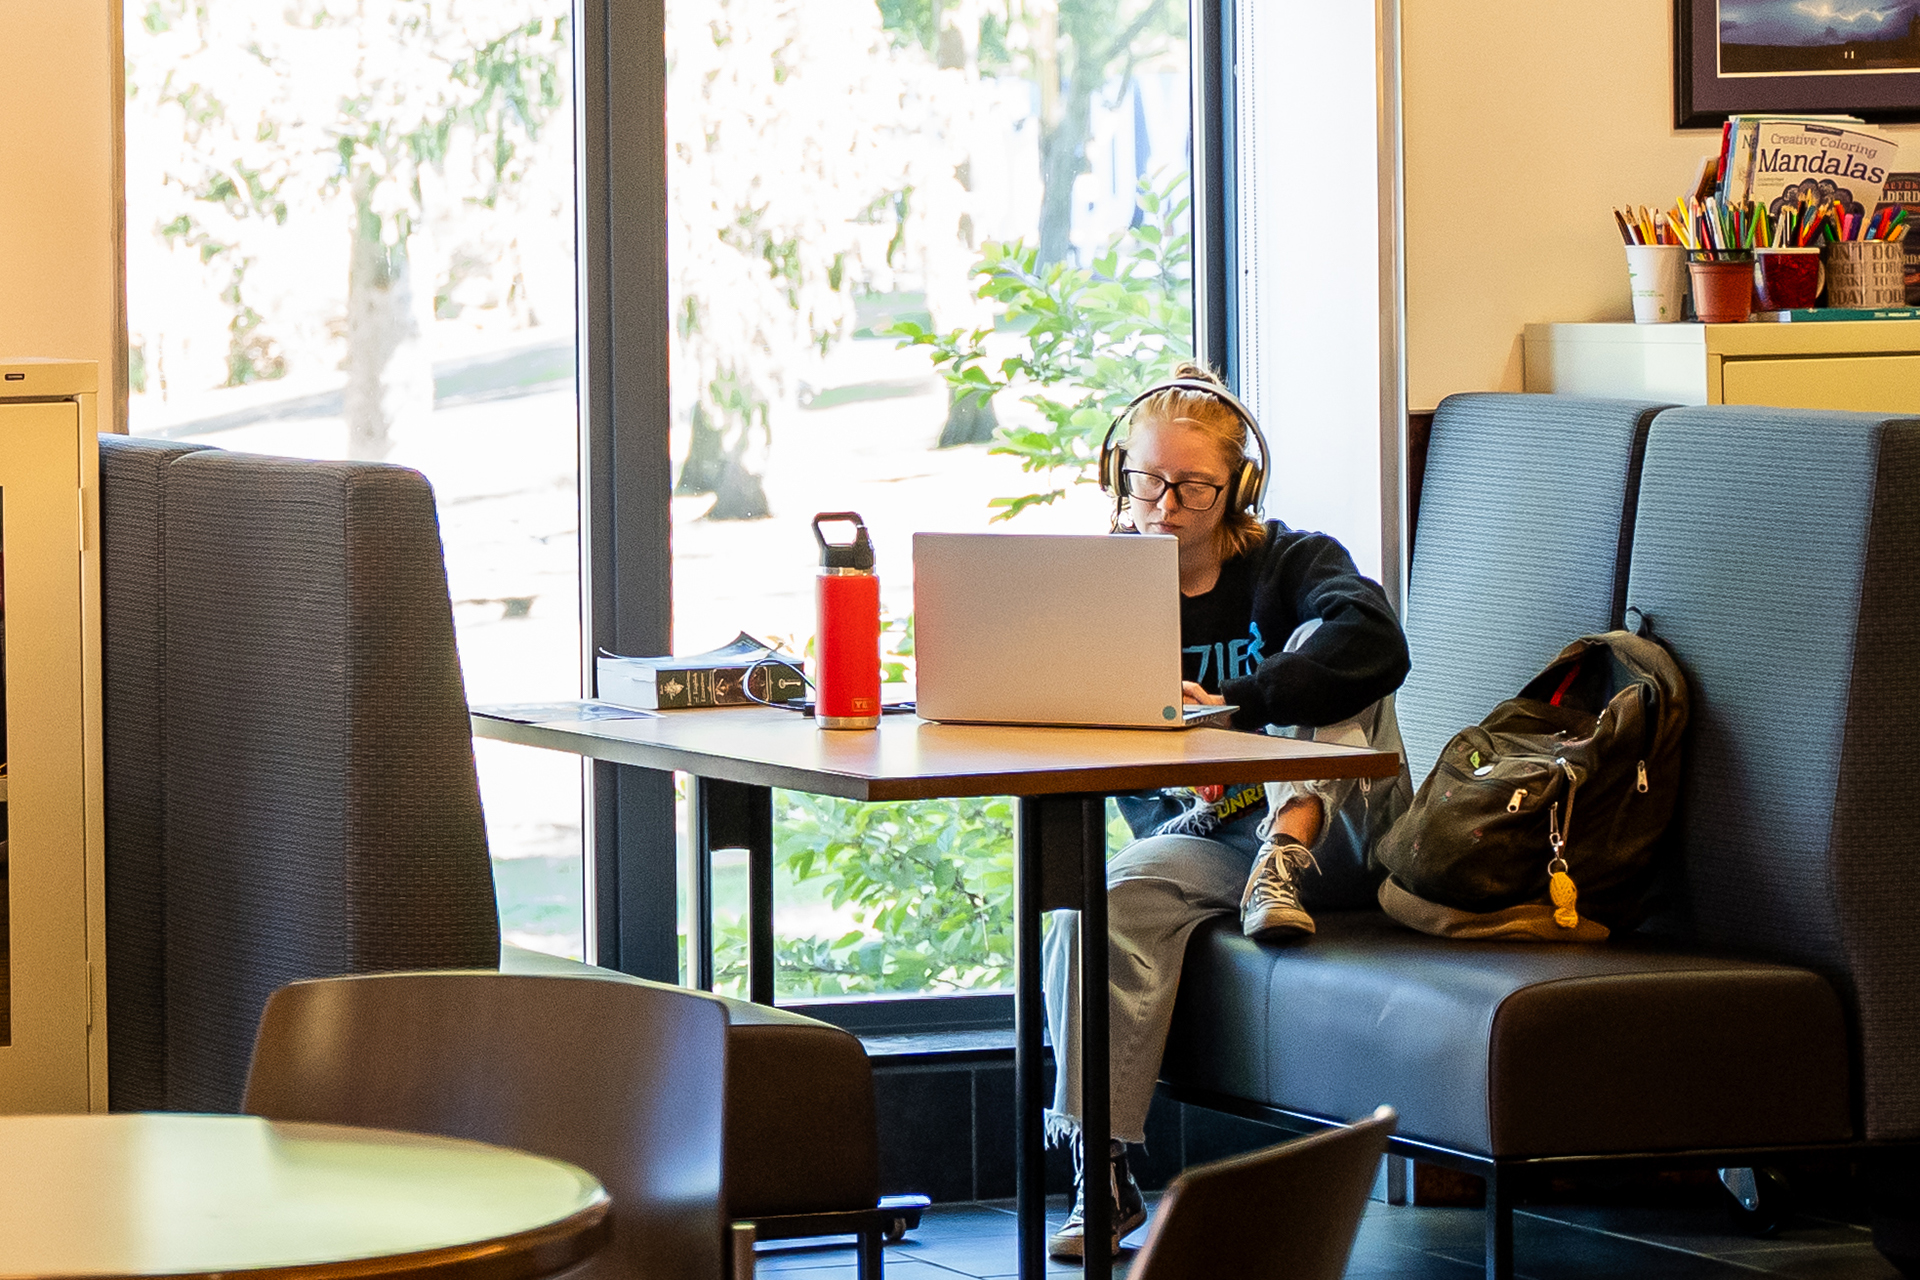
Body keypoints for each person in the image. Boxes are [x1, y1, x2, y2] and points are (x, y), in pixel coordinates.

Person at [1041, 362, 1412, 1262]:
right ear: (1115, 476)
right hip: (1217, 839)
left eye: (1191, 486)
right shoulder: (1109, 593)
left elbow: (1376, 644)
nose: (1161, 504)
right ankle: (1107, 1171)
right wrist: (1176, 760)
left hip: (1348, 834)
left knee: (1324, 654)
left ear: (1237, 487)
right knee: (1095, 902)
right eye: (1143, 480)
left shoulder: (1294, 559)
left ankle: (1287, 848)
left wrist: (1234, 710)